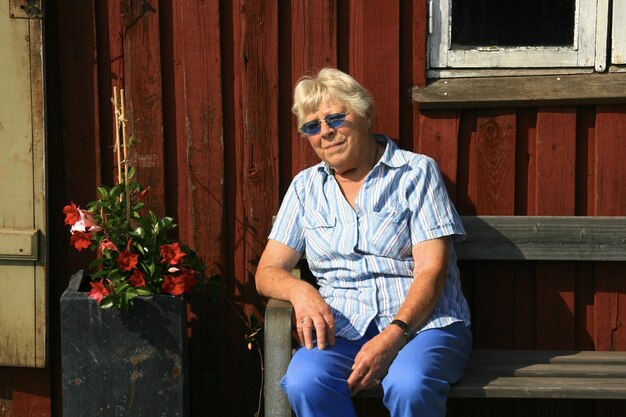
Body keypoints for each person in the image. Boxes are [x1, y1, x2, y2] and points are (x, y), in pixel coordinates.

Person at [255, 67, 472, 417]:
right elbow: (267, 271)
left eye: (336, 118)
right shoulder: (305, 187)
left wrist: (394, 335)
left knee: (409, 384)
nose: (325, 132)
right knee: (304, 381)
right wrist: (302, 292)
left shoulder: (415, 173)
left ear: (366, 115)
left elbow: (432, 270)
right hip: (341, 329)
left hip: (422, 326)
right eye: (312, 126)